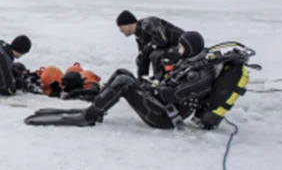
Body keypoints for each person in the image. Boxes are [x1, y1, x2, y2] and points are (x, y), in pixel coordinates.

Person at [25, 32, 257, 128]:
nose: (178, 49)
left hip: (166, 117)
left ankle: (89, 117)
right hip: (164, 106)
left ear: (189, 48)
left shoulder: (200, 73)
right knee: (123, 74)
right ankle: (97, 107)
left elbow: (172, 95)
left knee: (126, 84)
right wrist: (154, 84)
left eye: (181, 46)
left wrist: (153, 87)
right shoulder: (193, 65)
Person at [116, 10, 184, 79]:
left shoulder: (148, 23)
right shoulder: (139, 36)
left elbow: (162, 40)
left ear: (129, 24)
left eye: (121, 27)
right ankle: (143, 82)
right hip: (169, 49)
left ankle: (160, 81)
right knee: (141, 58)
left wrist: (147, 49)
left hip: (183, 47)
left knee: (155, 55)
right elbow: (143, 55)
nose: (121, 31)